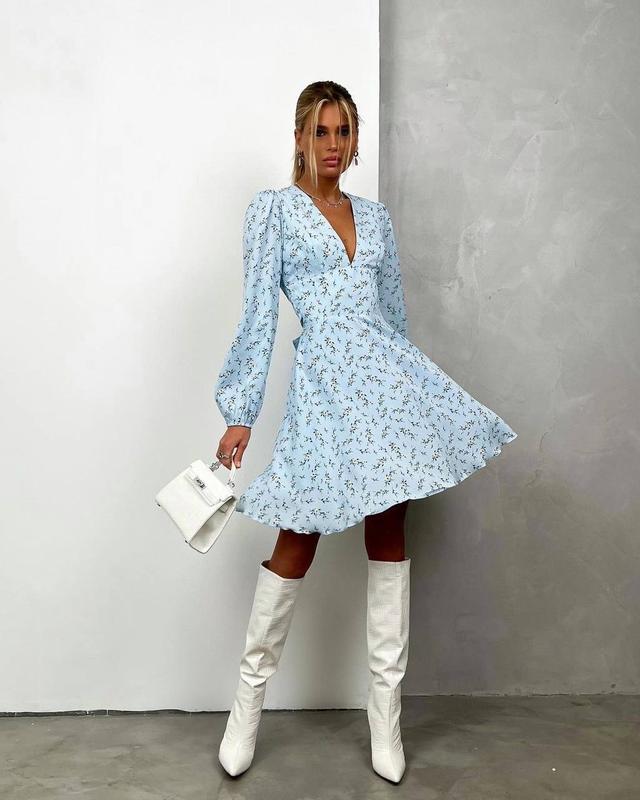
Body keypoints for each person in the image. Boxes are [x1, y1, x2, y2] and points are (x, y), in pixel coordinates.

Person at [214, 81, 517, 783]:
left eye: (343, 131)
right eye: (320, 131)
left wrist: (413, 401)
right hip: (323, 392)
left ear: (354, 142)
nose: (332, 144)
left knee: (389, 534)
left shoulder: (374, 218)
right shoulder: (275, 212)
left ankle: (386, 718)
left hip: (386, 391)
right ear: (299, 137)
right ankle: (246, 710)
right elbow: (258, 315)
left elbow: (393, 318)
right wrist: (240, 412)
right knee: (297, 538)